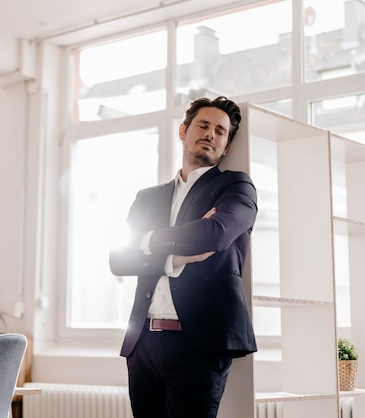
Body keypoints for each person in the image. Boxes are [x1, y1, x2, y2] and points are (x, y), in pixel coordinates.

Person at [109, 96, 258, 418]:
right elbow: (119, 260)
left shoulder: (237, 187)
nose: (211, 134)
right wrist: (171, 259)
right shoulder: (147, 198)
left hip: (199, 345)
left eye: (221, 131)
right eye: (203, 125)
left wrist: (147, 241)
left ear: (227, 144)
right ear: (183, 131)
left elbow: (214, 234)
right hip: (143, 343)